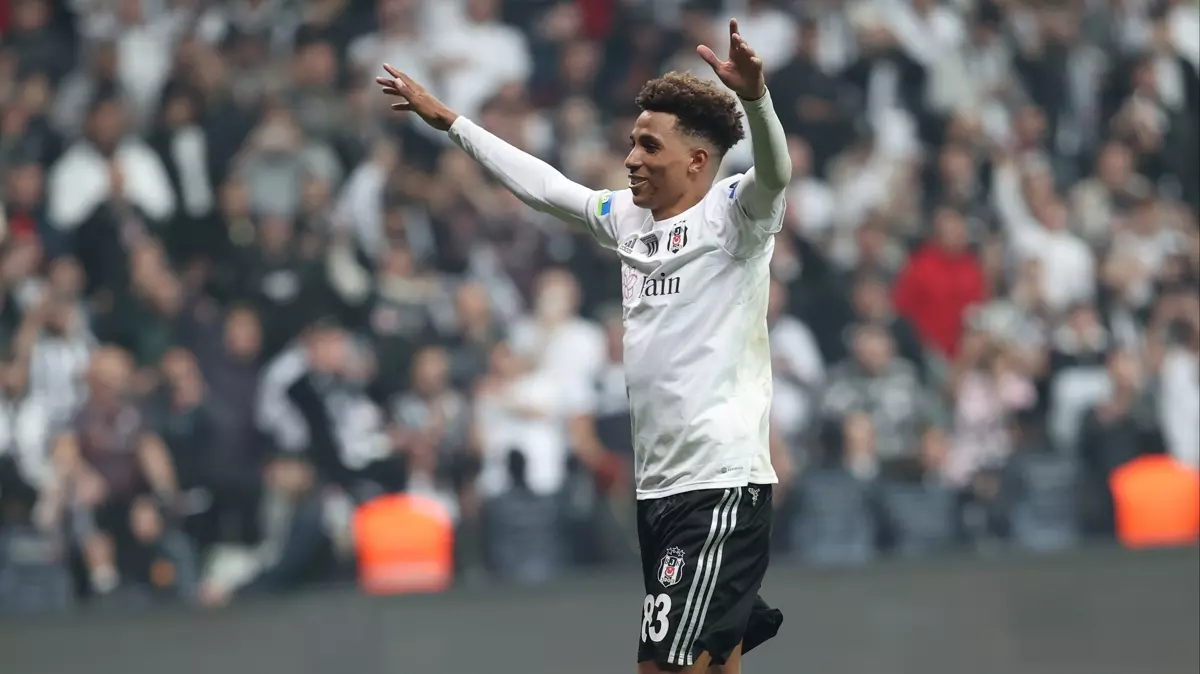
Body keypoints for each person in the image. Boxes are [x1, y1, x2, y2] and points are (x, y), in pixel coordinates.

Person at [377, 17, 788, 673]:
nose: (631, 159)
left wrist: (757, 98)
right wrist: (451, 122)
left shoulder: (735, 215)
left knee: (664, 665)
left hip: (718, 479)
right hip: (660, 486)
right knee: (714, 660)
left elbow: (776, 172)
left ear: (696, 161)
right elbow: (545, 187)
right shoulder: (626, 219)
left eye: (649, 146)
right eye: (631, 143)